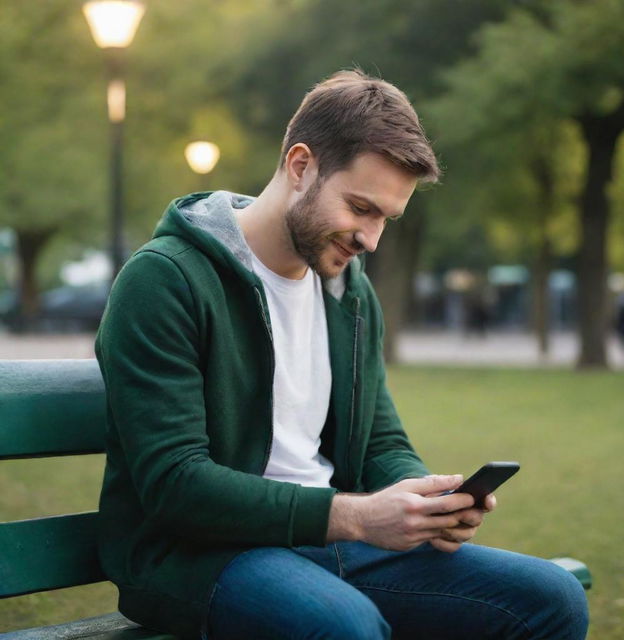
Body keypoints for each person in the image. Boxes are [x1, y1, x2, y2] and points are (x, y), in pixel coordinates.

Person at [95, 69, 588, 640]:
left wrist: (425, 503)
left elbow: (380, 439)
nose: (370, 238)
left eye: (385, 218)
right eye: (360, 207)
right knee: (343, 626)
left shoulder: (348, 292)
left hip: (328, 539)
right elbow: (175, 484)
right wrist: (354, 516)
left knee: (552, 597)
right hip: (198, 557)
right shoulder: (166, 280)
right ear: (301, 165)